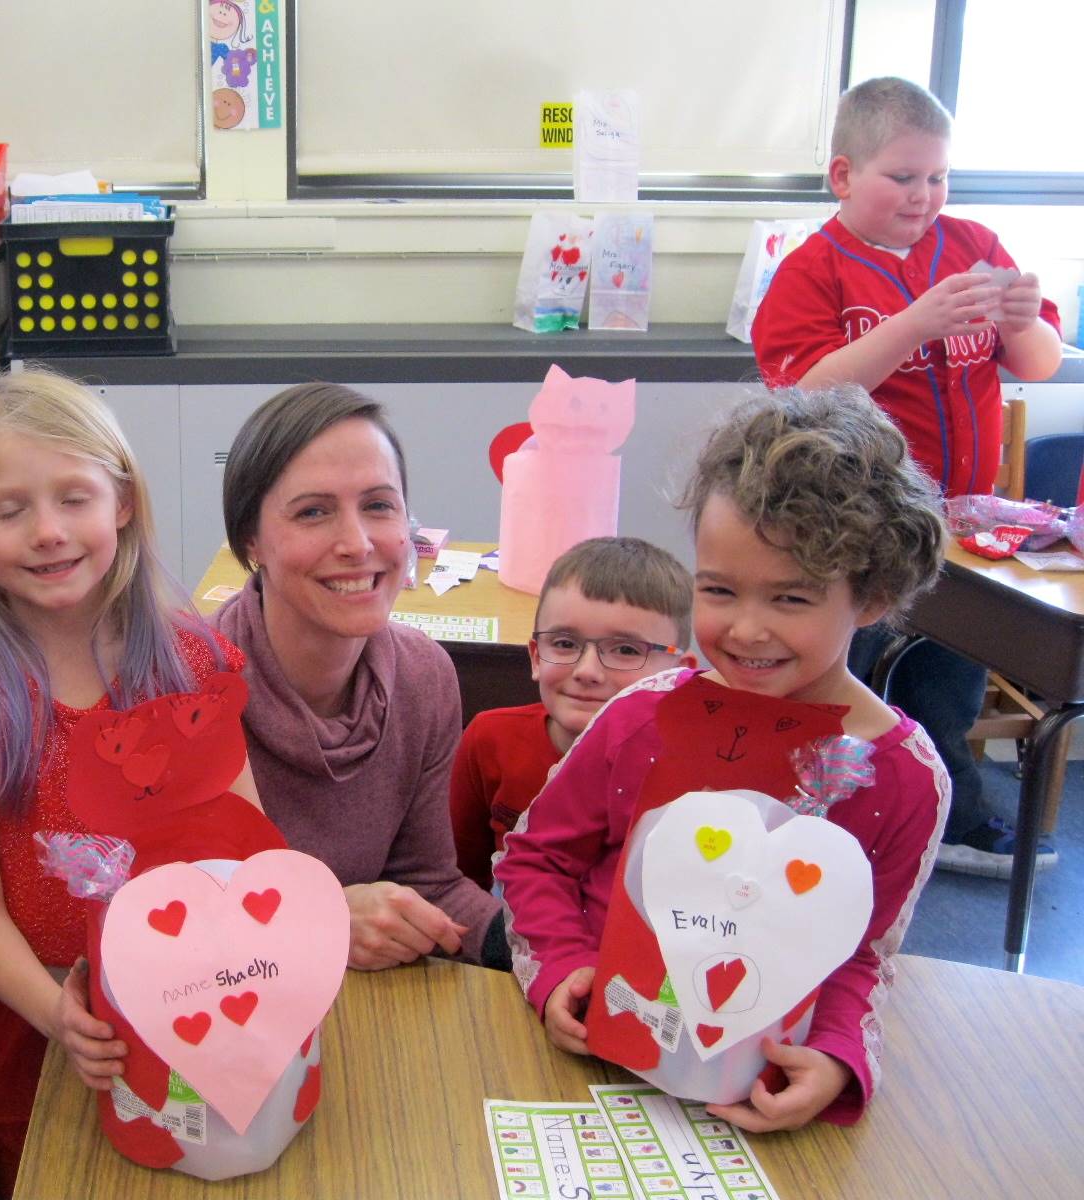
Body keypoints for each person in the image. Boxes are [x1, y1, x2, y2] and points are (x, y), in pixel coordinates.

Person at [498, 386, 949, 1133]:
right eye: (718, 590)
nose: (745, 629)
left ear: (870, 596)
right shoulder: (642, 717)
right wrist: (558, 971)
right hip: (585, 1064)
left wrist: (835, 1058)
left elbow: (864, 957)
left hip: (754, 1090)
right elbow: (534, 862)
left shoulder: (902, 775)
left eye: (792, 600)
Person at [0, 367, 264, 1190]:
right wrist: (58, 1012)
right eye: (10, 509)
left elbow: (244, 846)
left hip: (187, 1000)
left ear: (122, 502)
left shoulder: (189, 661)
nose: (49, 532)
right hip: (32, 1025)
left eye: (74, 497)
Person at [751, 75, 1064, 878]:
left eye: (938, 177)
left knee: (949, 681)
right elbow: (804, 390)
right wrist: (914, 323)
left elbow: (1039, 363)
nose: (924, 196)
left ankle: (945, 814)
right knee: (850, 681)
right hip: (851, 527)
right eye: (902, 177)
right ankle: (834, 823)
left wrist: (1023, 323)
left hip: (958, 526)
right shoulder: (812, 270)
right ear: (845, 177)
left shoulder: (974, 247)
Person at [214, 382, 504, 970]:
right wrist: (320, 921)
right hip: (235, 1015)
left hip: (365, 1013)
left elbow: (426, 884)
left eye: (378, 505)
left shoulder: (424, 675)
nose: (357, 542)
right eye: (313, 512)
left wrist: (553, 959)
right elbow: (155, 919)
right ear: (251, 542)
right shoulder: (184, 685)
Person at [448, 537, 693, 891]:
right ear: (535, 655)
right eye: (565, 644)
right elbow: (459, 878)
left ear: (678, 674)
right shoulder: (490, 739)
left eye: (625, 650)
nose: (587, 670)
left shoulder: (688, 772)